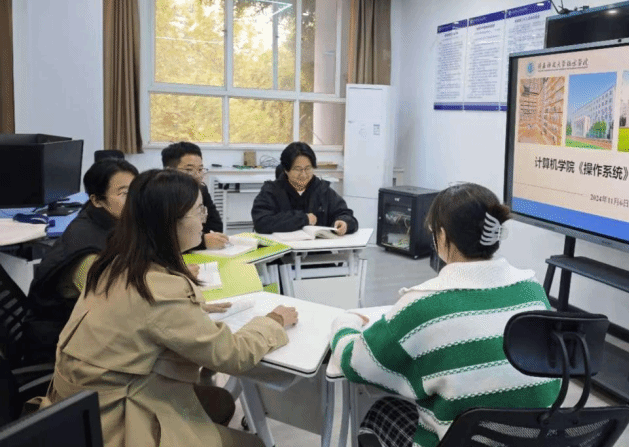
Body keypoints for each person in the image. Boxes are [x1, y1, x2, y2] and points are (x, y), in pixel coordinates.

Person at [41, 169, 299, 446]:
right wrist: (273, 321)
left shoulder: (114, 263)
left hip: (76, 409)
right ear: (169, 222)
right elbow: (232, 355)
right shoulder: (160, 291)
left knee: (219, 402)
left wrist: (190, 310)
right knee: (253, 443)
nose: (204, 219)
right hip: (115, 422)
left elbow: (139, 317)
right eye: (199, 211)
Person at [328, 183, 560, 447]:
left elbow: (357, 363)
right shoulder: (533, 290)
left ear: (441, 235)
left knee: (382, 411)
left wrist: (345, 323)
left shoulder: (422, 303)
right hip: (534, 440)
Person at [24, 158, 139, 364]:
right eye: (124, 194)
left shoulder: (106, 221)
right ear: (97, 200)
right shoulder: (88, 252)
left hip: (87, 328)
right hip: (65, 345)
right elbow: (115, 305)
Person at [251, 142, 358, 235]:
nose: (303, 175)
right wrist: (304, 219)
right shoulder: (271, 191)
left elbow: (346, 215)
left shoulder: (323, 190)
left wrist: (344, 222)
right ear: (286, 170)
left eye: (307, 168)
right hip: (283, 251)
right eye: (298, 169)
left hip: (317, 250)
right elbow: (261, 222)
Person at [161, 142, 228, 250]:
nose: (197, 176)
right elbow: (162, 237)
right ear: (169, 171)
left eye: (200, 169)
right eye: (189, 170)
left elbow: (215, 225)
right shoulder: (158, 194)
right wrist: (202, 241)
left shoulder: (201, 190)